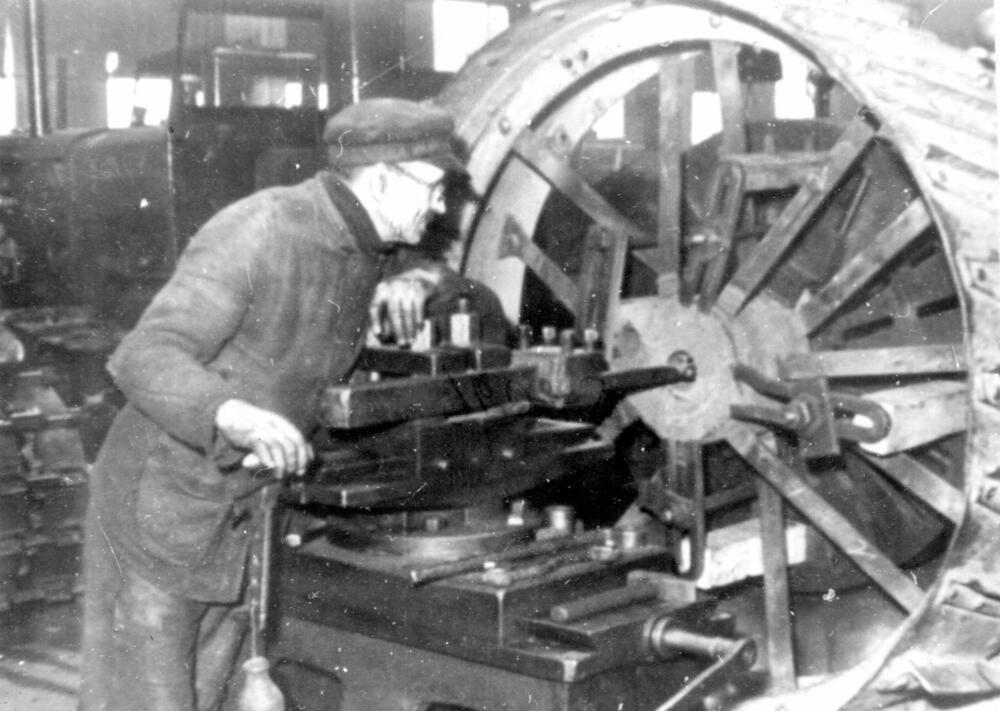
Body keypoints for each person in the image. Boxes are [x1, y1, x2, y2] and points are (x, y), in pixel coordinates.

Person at [79, 97, 507, 711]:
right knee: (146, 696)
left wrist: (419, 280)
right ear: (382, 180)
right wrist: (232, 413)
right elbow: (145, 352)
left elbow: (444, 275)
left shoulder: (371, 239)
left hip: (245, 507)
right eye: (434, 189)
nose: (441, 206)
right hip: (165, 501)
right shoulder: (260, 230)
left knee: (214, 688)